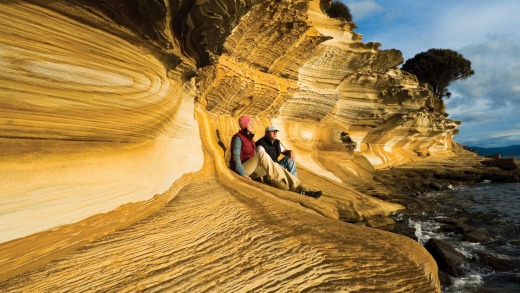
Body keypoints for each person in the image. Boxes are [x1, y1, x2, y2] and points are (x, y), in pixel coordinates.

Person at [229, 115, 321, 198]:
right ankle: (277, 180)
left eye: (252, 123)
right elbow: (236, 159)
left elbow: (255, 158)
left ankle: (301, 187)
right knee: (262, 155)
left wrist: (290, 151)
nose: (252, 125)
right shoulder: (238, 138)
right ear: (244, 125)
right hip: (243, 168)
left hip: (252, 170)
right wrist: (242, 173)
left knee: (276, 165)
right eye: (250, 123)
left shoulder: (251, 139)